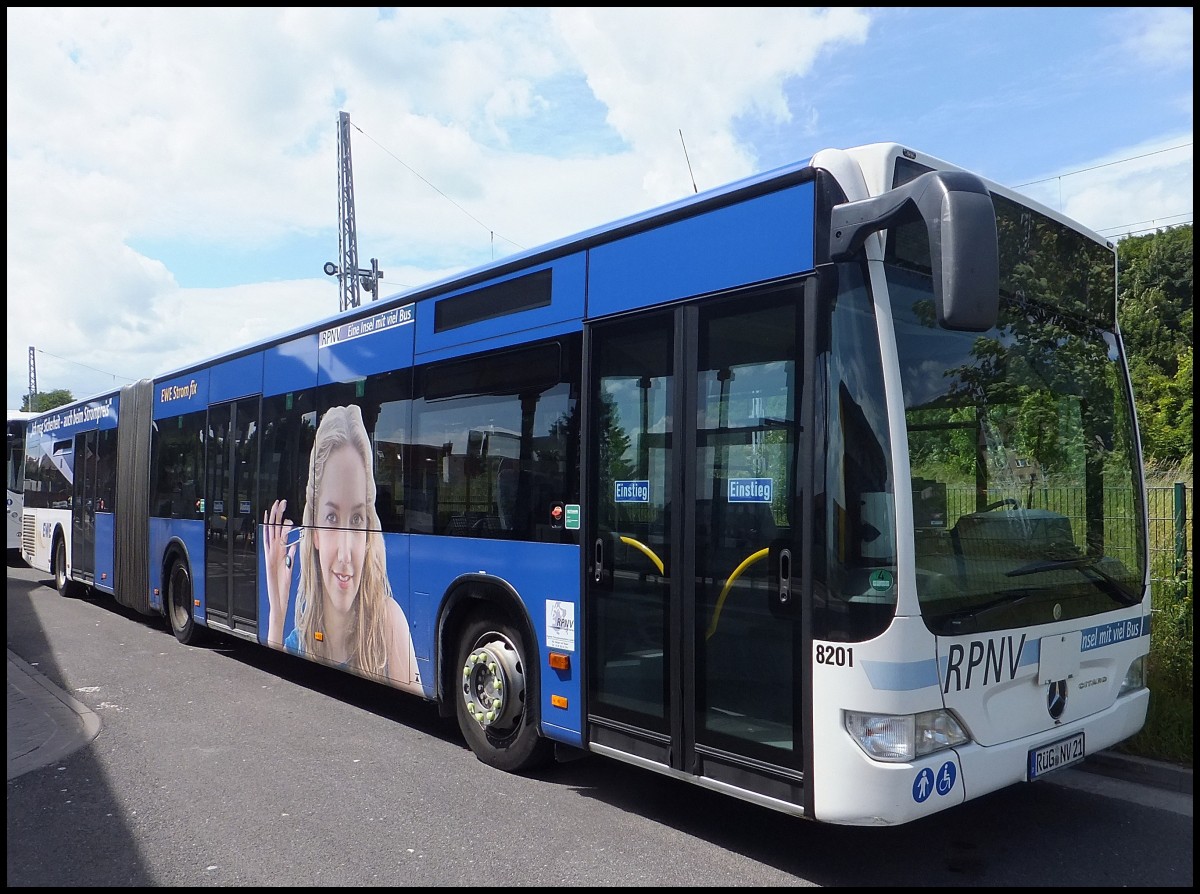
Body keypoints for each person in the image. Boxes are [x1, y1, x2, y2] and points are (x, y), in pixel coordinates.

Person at [263, 404, 420, 692]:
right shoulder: (298, 642)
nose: (346, 554)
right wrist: (277, 613)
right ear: (315, 533)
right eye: (332, 518)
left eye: (357, 519)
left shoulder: (388, 624)